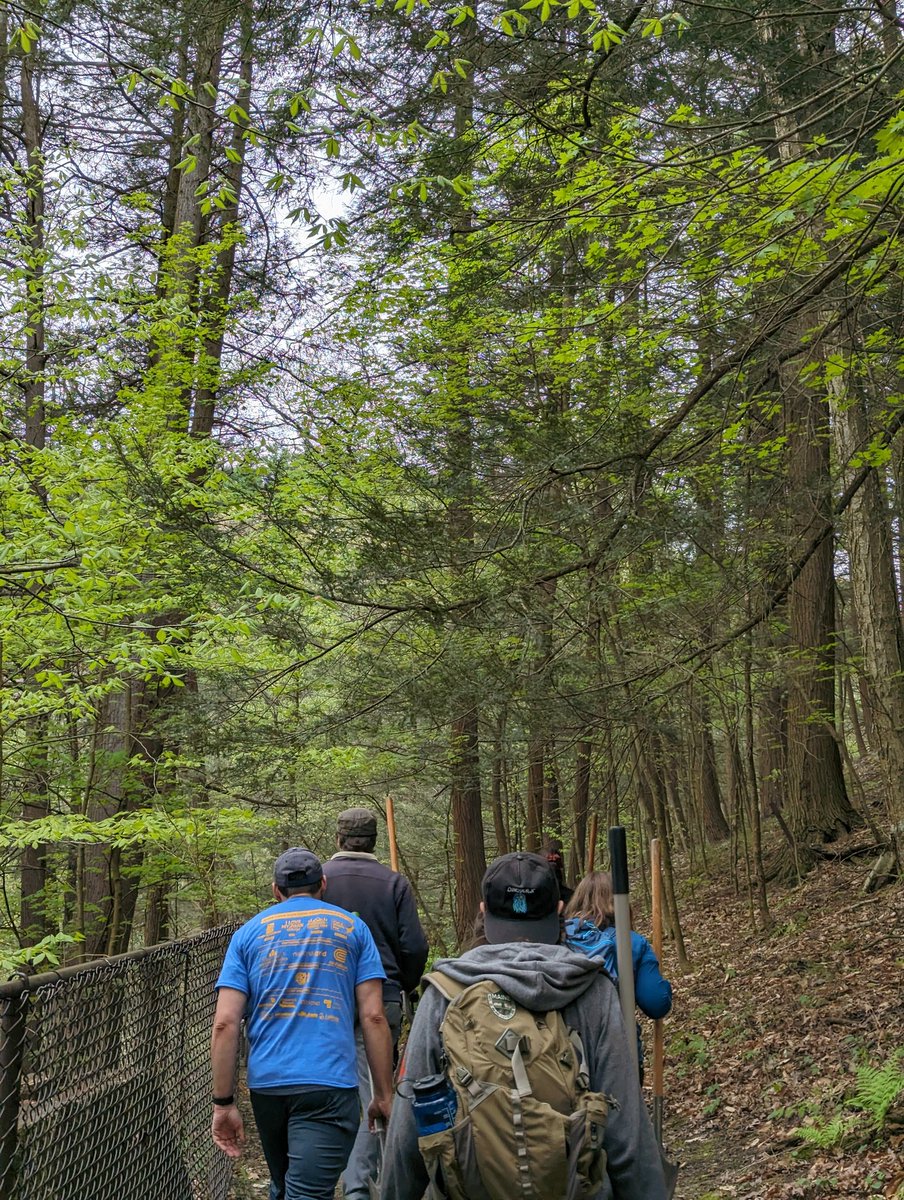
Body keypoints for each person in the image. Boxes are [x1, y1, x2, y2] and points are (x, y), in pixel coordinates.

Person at [381, 851, 668, 1200]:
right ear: (560, 910)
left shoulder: (446, 990)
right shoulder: (592, 990)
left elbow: (408, 1126)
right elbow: (627, 1130)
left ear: (484, 912)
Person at [210, 847, 394, 1200]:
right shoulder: (353, 929)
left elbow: (225, 1023)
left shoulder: (248, 935)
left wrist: (224, 1103)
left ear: (276, 890)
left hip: (267, 1088)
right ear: (323, 884)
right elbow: (373, 1016)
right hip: (329, 1085)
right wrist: (383, 1094)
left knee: (287, 1188)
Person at [323, 806, 429, 1200]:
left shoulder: (318, 880)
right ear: (372, 841)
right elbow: (413, 946)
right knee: (375, 1086)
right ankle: (360, 1184)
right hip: (383, 996)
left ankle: (342, 1174)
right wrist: (405, 982)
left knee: (335, 1084)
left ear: (339, 838)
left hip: (327, 997)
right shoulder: (393, 882)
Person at [564, 869, 673, 1080]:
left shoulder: (558, 939)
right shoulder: (631, 942)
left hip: (566, 1059)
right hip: (620, 1053)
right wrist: (664, 986)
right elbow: (656, 1003)